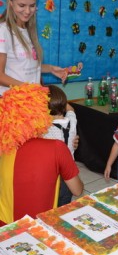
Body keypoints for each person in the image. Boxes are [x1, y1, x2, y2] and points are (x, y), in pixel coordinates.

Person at [0, 83, 83, 226]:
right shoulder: (57, 148)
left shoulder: (5, 146)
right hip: (38, 228)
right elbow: (78, 189)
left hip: (5, 226)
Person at [0, 0, 67, 96]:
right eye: (22, 5)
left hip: (32, 101)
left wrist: (50, 69)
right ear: (10, 1)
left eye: (32, 6)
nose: (27, 11)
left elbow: (24, 66)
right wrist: (27, 87)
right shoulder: (3, 31)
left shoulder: (28, 30)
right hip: (13, 102)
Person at [43, 84, 77, 206]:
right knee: (64, 204)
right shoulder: (72, 122)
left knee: (50, 203)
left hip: (52, 175)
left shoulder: (44, 128)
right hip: (69, 174)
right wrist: (62, 102)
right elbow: (71, 110)